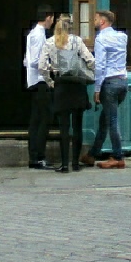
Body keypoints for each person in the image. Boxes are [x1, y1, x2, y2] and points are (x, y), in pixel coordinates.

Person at [39, 14, 95, 173]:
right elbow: (90, 60)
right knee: (77, 126)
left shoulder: (49, 43)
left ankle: (64, 165)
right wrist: (93, 74)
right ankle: (76, 164)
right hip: (77, 86)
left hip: (61, 86)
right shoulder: (77, 41)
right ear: (70, 27)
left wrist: (50, 82)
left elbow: (42, 66)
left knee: (64, 128)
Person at [81, 9, 128, 169]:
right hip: (122, 82)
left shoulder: (101, 39)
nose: (93, 21)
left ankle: (117, 156)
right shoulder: (122, 37)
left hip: (109, 83)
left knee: (112, 120)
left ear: (103, 21)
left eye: (96, 18)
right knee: (105, 120)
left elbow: (100, 66)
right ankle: (92, 154)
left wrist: (97, 89)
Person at [24, 5, 55, 169]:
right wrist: (52, 68)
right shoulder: (39, 35)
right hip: (40, 81)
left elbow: (27, 60)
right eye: (52, 18)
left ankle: (34, 157)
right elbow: (36, 61)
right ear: (48, 17)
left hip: (34, 80)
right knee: (44, 119)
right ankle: (38, 157)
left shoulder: (33, 34)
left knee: (36, 120)